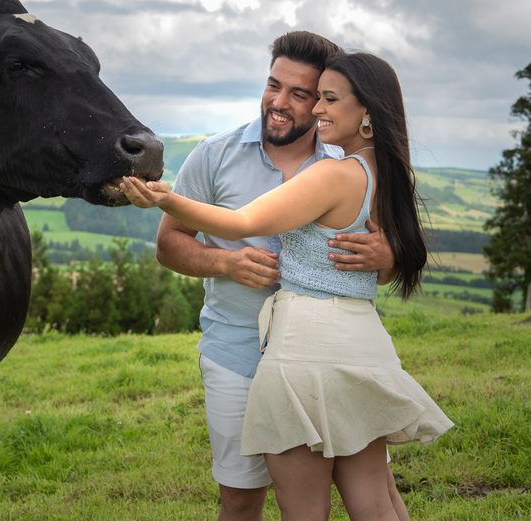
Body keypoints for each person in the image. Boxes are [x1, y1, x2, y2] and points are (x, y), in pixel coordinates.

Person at [125, 50, 453, 521]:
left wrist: (164, 198)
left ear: (366, 113)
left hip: (302, 351)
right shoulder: (381, 172)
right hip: (345, 346)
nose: (310, 106)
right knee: (376, 503)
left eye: (318, 96)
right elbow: (173, 247)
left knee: (309, 510)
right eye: (279, 86)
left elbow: (242, 221)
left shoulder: (332, 168)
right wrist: (226, 263)